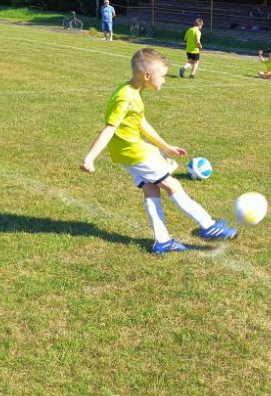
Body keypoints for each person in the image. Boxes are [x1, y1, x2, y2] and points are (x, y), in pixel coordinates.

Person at [80, 48, 238, 253]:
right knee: (173, 185)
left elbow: (142, 123)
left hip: (125, 153)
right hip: (134, 153)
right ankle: (208, 226)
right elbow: (109, 128)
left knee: (151, 188)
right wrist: (90, 158)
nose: (164, 80)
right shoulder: (125, 98)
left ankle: (162, 241)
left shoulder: (131, 90)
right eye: (162, 76)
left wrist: (166, 146)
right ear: (147, 75)